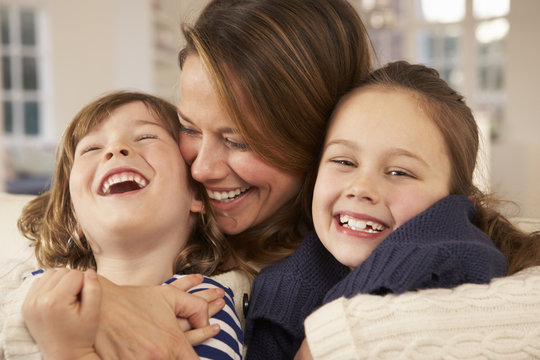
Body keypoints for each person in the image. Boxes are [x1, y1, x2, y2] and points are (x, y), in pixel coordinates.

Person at [243, 61, 527, 358]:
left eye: (399, 172)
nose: (361, 187)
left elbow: (456, 250)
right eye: (344, 162)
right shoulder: (280, 290)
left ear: (456, 207)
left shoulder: (464, 260)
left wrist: (338, 331)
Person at [6, 91, 243, 359]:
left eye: (146, 137)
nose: (115, 149)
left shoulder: (203, 300)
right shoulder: (41, 286)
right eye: (91, 148)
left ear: (197, 195)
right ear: (73, 217)